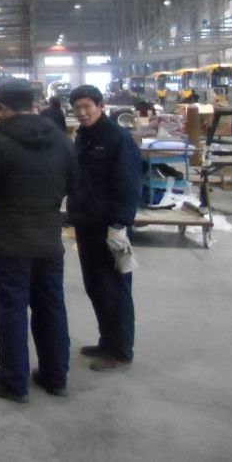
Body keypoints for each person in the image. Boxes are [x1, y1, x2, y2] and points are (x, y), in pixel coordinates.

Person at [0, 79, 78, 403]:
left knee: (13, 309)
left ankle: (14, 381)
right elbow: (75, 182)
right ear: (32, 103)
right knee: (52, 306)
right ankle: (56, 377)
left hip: (11, 239)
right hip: (49, 238)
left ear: (1, 107)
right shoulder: (60, 138)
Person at [67, 84, 141, 372]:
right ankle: (106, 340)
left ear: (100, 106)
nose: (82, 113)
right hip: (87, 225)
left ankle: (121, 351)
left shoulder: (118, 139)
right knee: (96, 286)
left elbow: (129, 186)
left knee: (115, 289)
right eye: (77, 109)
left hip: (110, 228)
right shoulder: (83, 137)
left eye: (87, 107)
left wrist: (120, 225)